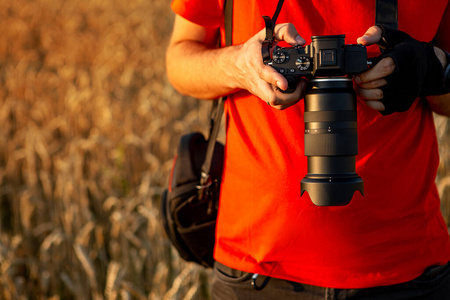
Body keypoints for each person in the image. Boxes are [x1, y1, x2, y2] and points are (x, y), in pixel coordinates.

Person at [165, 0, 450, 299]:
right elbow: (181, 57)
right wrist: (238, 66)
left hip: (407, 269)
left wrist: (434, 69)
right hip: (254, 266)